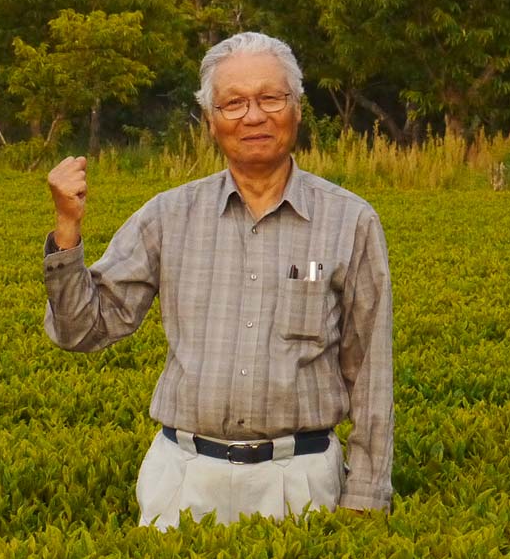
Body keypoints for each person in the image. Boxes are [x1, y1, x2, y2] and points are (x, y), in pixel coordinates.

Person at [42, 31, 394, 527]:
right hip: (184, 477)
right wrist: (67, 228)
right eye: (233, 103)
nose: (253, 116)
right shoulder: (168, 215)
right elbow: (81, 330)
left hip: (302, 480)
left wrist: (367, 494)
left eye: (270, 98)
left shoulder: (350, 221)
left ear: (296, 108)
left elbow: (372, 370)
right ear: (211, 122)